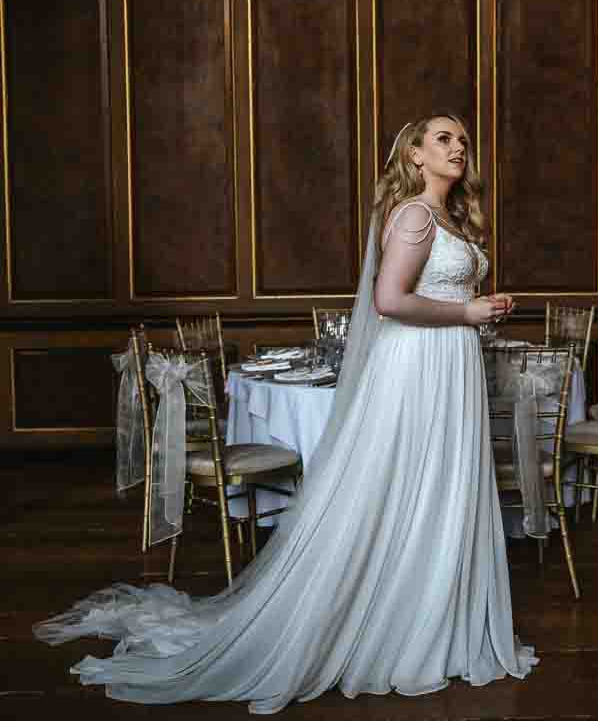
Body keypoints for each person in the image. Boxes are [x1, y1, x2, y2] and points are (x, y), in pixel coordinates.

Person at [33, 113, 534, 714]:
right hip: (418, 367)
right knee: (404, 482)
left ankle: (436, 615)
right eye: (444, 139)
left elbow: (436, 293)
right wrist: (467, 314)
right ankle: (395, 619)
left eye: (463, 142)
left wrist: (481, 306)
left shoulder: (448, 217)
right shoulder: (412, 215)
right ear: (415, 154)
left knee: (441, 485)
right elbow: (389, 300)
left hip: (447, 363)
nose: (458, 148)